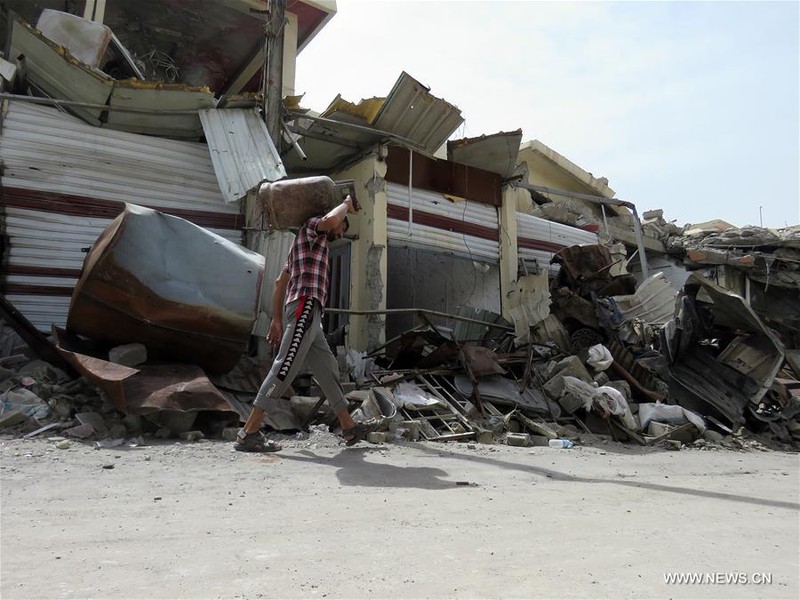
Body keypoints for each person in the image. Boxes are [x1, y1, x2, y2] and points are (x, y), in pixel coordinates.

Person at [234, 194, 377, 452]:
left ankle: (349, 428)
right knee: (285, 367)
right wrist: (346, 203)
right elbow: (330, 219)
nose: (342, 231)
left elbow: (280, 284)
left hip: (308, 314)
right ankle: (249, 432)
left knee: (327, 369)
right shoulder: (312, 227)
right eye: (342, 226)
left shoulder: (302, 245)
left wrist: (277, 319)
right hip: (305, 307)